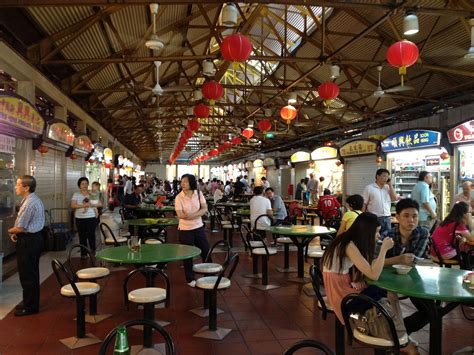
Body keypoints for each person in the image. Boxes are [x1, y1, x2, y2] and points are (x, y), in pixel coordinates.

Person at [322, 213, 418, 354]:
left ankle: (401, 335)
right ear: (366, 231)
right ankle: (400, 338)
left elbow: (367, 267)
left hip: (341, 285)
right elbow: (373, 273)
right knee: (385, 294)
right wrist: (384, 249)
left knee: (385, 293)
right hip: (341, 293)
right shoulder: (349, 245)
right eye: (377, 232)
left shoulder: (347, 241)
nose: (378, 236)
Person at [377, 198, 430, 336]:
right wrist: (399, 259)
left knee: (432, 311)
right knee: (389, 301)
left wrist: (395, 260)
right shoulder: (387, 236)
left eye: (415, 216)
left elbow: (413, 260)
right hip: (386, 280)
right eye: (406, 216)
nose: (411, 220)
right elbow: (375, 263)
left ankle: (398, 333)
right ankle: (398, 335)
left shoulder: (423, 233)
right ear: (397, 217)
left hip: (411, 280)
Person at [8, 175, 44, 316]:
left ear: (26, 187)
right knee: (29, 273)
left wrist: (10, 230)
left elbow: (21, 227)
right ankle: (29, 301)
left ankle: (30, 306)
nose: (15, 187)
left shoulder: (29, 203)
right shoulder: (31, 199)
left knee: (28, 274)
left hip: (29, 241)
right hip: (32, 239)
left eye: (18, 184)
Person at [174, 174, 210, 287]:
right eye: (182, 181)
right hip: (185, 229)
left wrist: (191, 215)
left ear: (191, 183)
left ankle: (208, 274)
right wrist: (197, 214)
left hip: (199, 227)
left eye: (185, 181)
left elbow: (205, 208)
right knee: (188, 255)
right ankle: (190, 278)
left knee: (206, 250)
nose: (182, 183)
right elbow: (180, 214)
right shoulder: (179, 197)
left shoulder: (198, 194)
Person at [362, 168, 397, 234]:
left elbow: (394, 198)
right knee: (374, 237)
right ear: (377, 176)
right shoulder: (369, 188)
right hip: (374, 218)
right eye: (384, 176)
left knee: (387, 237)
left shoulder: (388, 187)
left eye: (387, 176)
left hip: (387, 218)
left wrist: (390, 185)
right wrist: (363, 218)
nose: (386, 178)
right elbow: (364, 203)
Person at [71, 177, 99, 258]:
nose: (85, 185)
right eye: (82, 184)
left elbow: (98, 203)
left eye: (86, 183)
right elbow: (72, 205)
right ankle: (84, 254)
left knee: (91, 235)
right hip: (80, 218)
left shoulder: (92, 194)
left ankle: (93, 252)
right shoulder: (76, 194)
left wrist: (92, 205)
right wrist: (83, 205)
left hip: (91, 218)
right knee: (82, 236)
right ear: (79, 186)